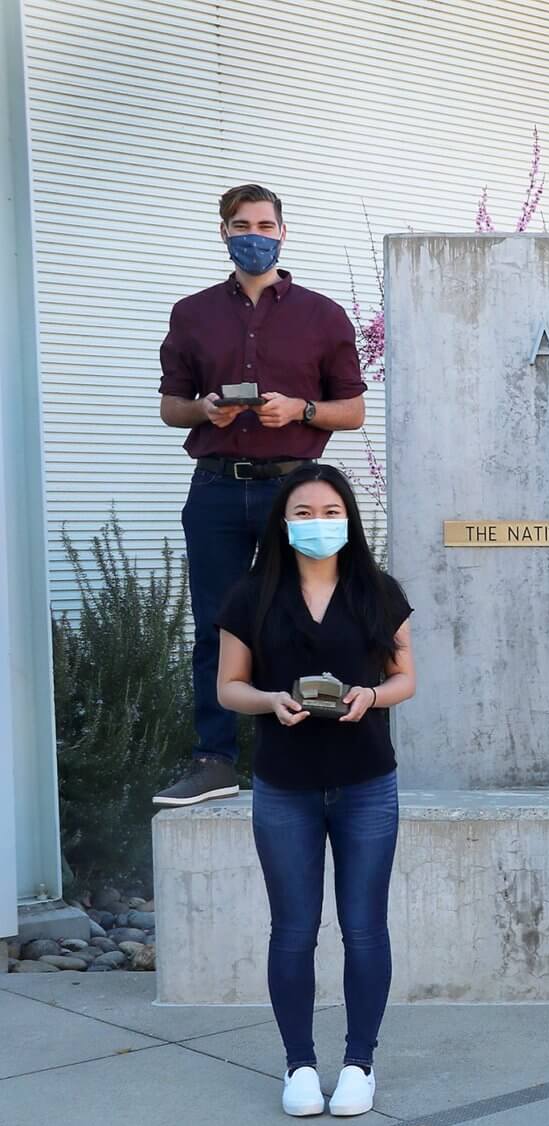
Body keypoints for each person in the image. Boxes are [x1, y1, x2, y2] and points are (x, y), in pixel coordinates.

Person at [154, 184, 368, 808]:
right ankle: (215, 761)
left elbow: (351, 410)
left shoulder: (322, 315)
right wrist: (204, 410)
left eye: (266, 224)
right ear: (223, 232)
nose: (255, 233)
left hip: (293, 493)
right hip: (217, 489)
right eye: (242, 224)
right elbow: (171, 406)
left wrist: (300, 409)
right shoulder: (192, 314)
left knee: (307, 619)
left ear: (283, 232)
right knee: (217, 628)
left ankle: (311, 750)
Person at [214, 465, 415, 1119]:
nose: (318, 523)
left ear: (350, 519)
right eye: (304, 511)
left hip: (366, 783)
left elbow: (404, 677)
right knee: (294, 930)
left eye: (331, 511)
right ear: (282, 519)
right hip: (284, 787)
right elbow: (228, 686)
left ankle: (360, 1061)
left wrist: (372, 696)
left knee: (364, 928)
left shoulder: (378, 592)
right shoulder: (252, 595)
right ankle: (298, 1063)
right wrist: (271, 701)